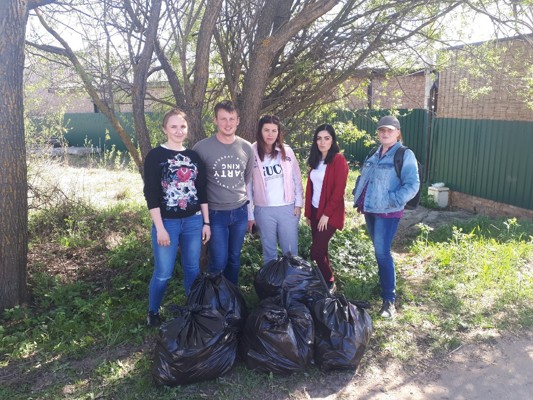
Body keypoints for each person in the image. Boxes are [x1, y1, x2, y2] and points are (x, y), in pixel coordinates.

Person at [143, 109, 211, 327]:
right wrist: (160, 227)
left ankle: (191, 309)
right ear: (165, 129)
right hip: (167, 224)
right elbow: (151, 194)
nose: (178, 130)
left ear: (187, 129)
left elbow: (202, 191)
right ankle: (153, 312)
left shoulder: (193, 157)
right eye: (173, 126)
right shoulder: (155, 156)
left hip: (193, 221)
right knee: (163, 272)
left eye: (182, 126)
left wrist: (206, 222)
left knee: (192, 268)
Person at [353, 115, 420, 319]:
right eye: (382, 130)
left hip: (388, 212)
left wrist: (394, 200)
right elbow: (364, 177)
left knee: (382, 253)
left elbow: (412, 184)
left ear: (398, 133)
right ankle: (384, 284)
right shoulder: (374, 153)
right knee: (379, 251)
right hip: (371, 209)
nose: (385, 133)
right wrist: (357, 191)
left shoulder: (404, 154)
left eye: (389, 130)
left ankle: (389, 301)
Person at [192, 100, 254, 285]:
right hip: (215, 213)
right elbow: (196, 184)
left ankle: (231, 299)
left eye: (232, 119)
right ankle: (215, 301)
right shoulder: (201, 148)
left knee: (234, 259)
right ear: (215, 121)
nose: (228, 123)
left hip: (240, 212)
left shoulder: (246, 147)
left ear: (238, 121)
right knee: (218, 261)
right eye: (223, 119)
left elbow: (246, 178)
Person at [247, 115, 303, 265]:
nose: (270, 134)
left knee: (290, 253)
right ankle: (272, 286)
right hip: (264, 211)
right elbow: (247, 186)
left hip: (288, 209)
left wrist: (298, 204)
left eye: (274, 130)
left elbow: (297, 179)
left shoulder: (287, 151)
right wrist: (250, 214)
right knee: (269, 253)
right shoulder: (251, 151)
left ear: (279, 132)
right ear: (260, 131)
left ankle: (291, 285)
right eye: (266, 130)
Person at [304, 124, 349, 292]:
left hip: (329, 214)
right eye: (319, 138)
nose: (322, 142)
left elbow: (339, 191)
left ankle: (329, 282)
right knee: (322, 250)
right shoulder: (316, 161)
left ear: (332, 140)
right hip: (315, 211)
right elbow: (311, 189)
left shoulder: (338, 160)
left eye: (326, 138)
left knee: (315, 251)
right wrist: (309, 213)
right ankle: (325, 281)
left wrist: (326, 214)